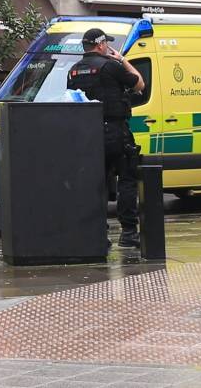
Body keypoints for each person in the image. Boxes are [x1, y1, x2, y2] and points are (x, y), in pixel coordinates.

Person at [66, 27, 145, 250]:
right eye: (106, 44)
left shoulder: (73, 71)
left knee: (95, 185)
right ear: (101, 45)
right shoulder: (111, 66)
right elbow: (139, 84)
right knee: (127, 181)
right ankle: (129, 233)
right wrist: (122, 59)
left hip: (87, 135)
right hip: (115, 132)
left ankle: (98, 234)